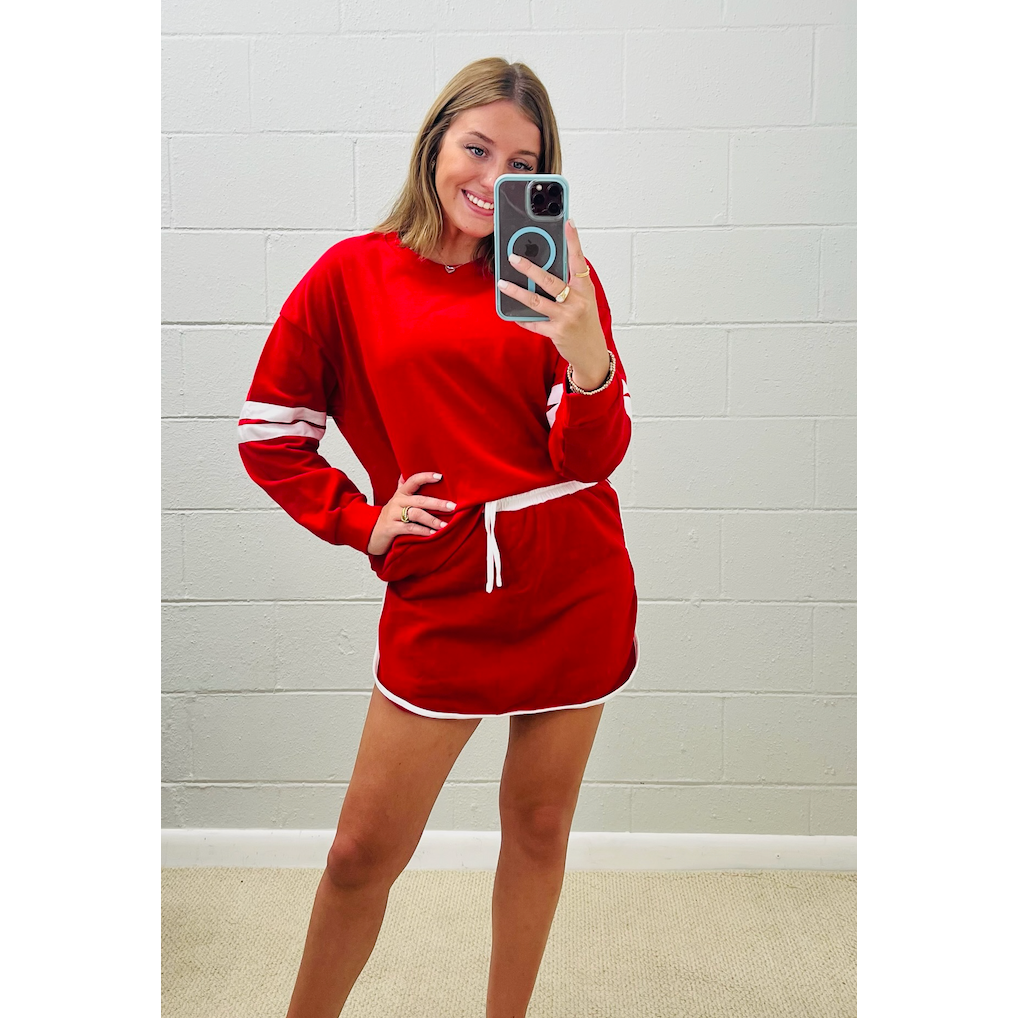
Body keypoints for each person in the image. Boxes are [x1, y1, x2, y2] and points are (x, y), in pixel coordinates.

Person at [237, 56, 639, 1018]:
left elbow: (592, 458)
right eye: (477, 148)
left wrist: (587, 351)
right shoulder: (351, 275)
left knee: (538, 827)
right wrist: (362, 521)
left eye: (523, 164)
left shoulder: (557, 280)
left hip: (574, 581)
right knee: (358, 854)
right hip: (445, 587)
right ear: (434, 146)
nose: (494, 178)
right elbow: (271, 432)